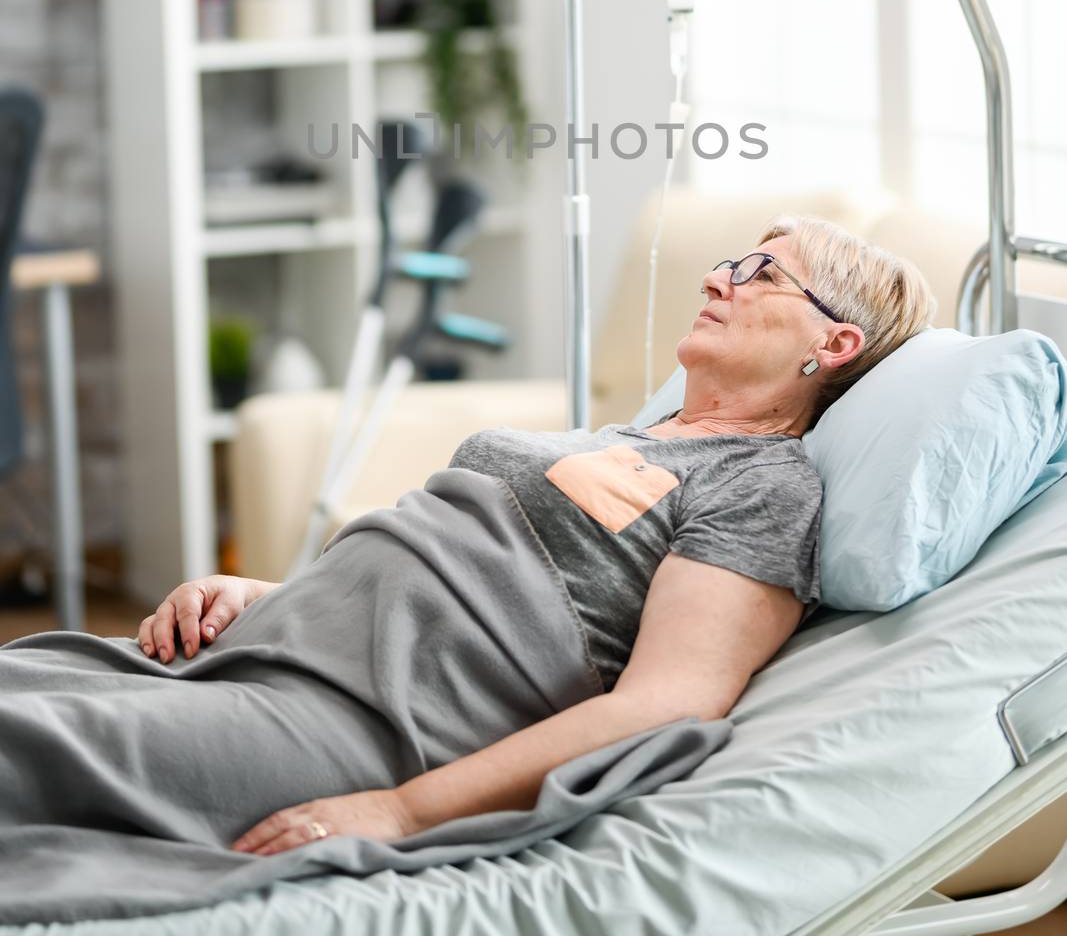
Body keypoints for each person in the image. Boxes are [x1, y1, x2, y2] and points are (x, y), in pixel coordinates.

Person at [0, 214, 935, 885]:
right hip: (265, 655)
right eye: (732, 261)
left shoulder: (764, 484)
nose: (717, 278)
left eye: (762, 273)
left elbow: (672, 698)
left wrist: (403, 809)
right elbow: (436, 570)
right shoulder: (632, 437)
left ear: (835, 342)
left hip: (354, 724)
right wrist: (261, 592)